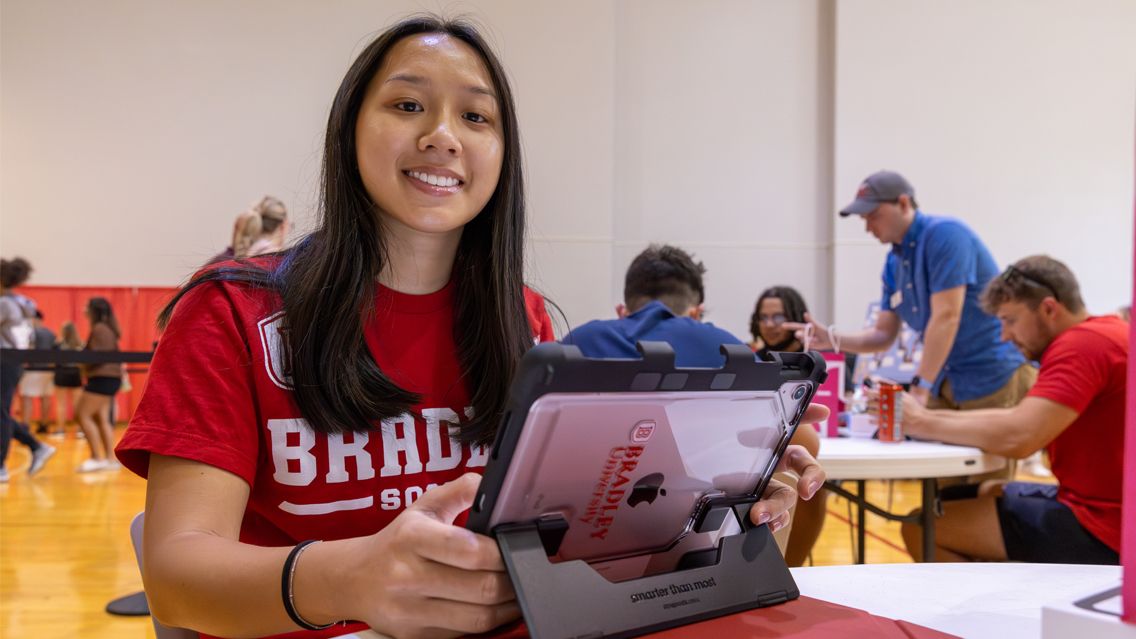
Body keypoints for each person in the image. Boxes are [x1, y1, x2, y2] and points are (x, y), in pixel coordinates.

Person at [113, 19, 824, 639]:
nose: (442, 136)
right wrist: (346, 579)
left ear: (502, 154)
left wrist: (728, 500)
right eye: (408, 103)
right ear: (350, 130)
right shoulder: (232, 313)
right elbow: (177, 575)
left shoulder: (526, 319)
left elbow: (574, 547)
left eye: (476, 118)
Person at [563, 245, 827, 567]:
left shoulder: (577, 342)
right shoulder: (726, 346)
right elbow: (788, 436)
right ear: (696, 313)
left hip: (580, 546)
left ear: (622, 310)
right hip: (696, 553)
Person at [877, 256, 1125, 564]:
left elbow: (1019, 437)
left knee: (922, 528)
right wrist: (924, 418)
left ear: (1049, 309)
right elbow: (1017, 417)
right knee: (982, 491)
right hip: (1108, 509)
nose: (1005, 336)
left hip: (1107, 528)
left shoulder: (1080, 346)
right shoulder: (1104, 333)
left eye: (1010, 320)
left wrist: (922, 423)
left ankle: (988, 611)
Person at [788, 171, 1035, 412]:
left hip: (994, 378)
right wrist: (832, 339)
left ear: (903, 203)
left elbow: (947, 317)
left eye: (873, 215)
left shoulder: (946, 235)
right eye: (863, 220)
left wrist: (919, 387)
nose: (868, 228)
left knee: (988, 454)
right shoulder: (893, 264)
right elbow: (883, 335)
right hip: (947, 384)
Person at [0, 257, 56, 483]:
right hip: (15, 361)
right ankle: (36, 445)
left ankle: (2, 465)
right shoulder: (25, 302)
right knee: (1, 411)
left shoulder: (5, 303)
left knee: (2, 412)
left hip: (4, 361)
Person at [75, 297, 124, 472]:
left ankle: (97, 457)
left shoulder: (99, 329)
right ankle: (110, 459)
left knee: (82, 415)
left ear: (93, 310)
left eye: (86, 306)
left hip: (103, 378)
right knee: (101, 418)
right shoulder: (105, 328)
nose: (83, 309)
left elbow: (99, 356)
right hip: (108, 378)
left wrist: (81, 360)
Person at [20, 310, 56, 433]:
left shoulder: (30, 333)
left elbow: (27, 350)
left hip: (31, 369)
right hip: (48, 370)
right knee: (45, 397)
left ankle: (25, 425)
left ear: (34, 319)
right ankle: (44, 424)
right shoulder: (51, 334)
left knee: (27, 398)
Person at [52, 321, 85, 436]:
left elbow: (52, 362)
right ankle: (80, 430)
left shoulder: (57, 345)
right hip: (75, 374)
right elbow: (84, 363)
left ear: (63, 332)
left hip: (61, 374)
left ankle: (60, 430)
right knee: (77, 404)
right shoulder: (80, 345)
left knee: (61, 403)